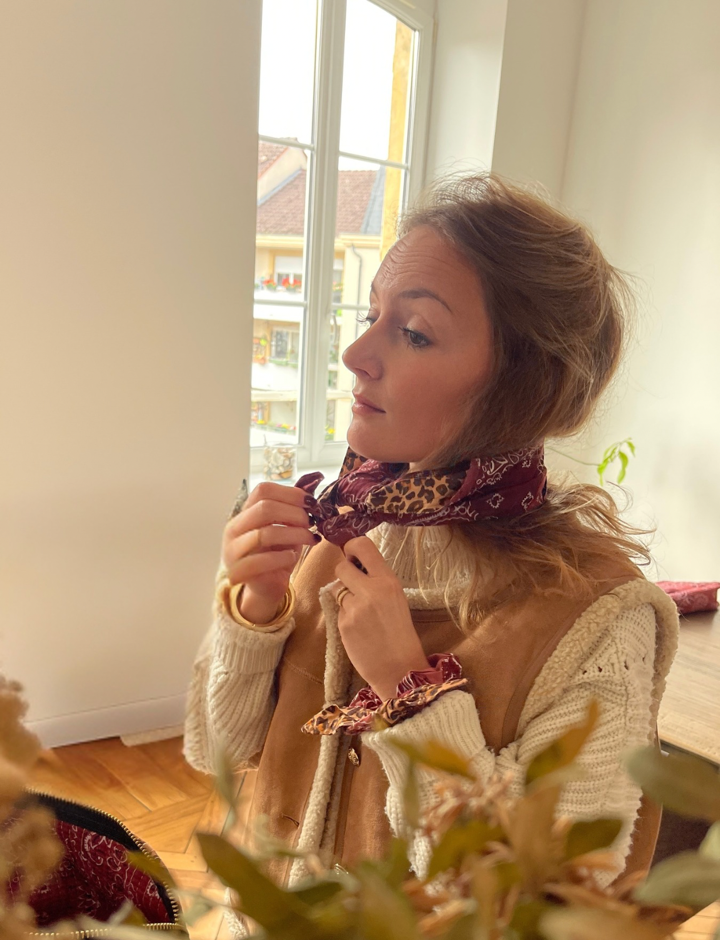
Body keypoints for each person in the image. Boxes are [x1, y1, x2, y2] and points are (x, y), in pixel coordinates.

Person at [184, 174, 678, 887]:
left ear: (520, 384)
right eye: (371, 313)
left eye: (413, 332)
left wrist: (410, 691)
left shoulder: (599, 620)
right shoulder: (338, 531)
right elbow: (219, 757)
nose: (356, 355)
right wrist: (253, 610)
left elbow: (550, 913)